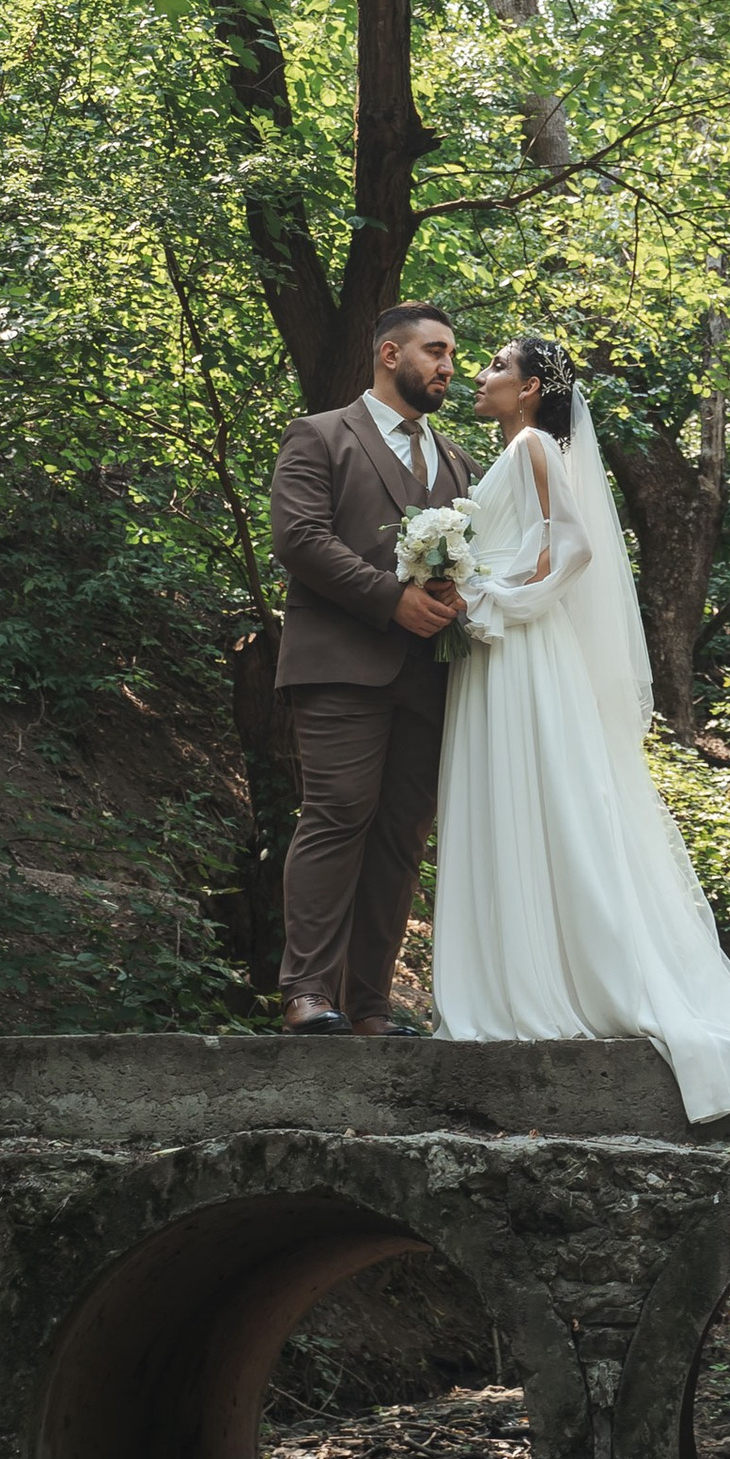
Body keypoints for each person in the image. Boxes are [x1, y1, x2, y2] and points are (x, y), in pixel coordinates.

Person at [431, 331, 730, 1123]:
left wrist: (494, 599)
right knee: (509, 798)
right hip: (495, 645)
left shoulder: (534, 448)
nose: (479, 375)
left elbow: (575, 548)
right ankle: (515, 975)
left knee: (535, 798)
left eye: (497, 366)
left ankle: (550, 980)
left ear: (530, 388)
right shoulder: (513, 453)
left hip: (518, 645)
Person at [266, 303, 473, 1038]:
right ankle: (306, 992)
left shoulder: (458, 462)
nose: (448, 366)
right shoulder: (321, 434)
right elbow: (299, 538)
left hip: (434, 673)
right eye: (435, 351)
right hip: (341, 664)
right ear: (390, 354)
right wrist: (391, 599)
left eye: (452, 355)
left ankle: (371, 1007)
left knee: (402, 836)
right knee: (337, 814)